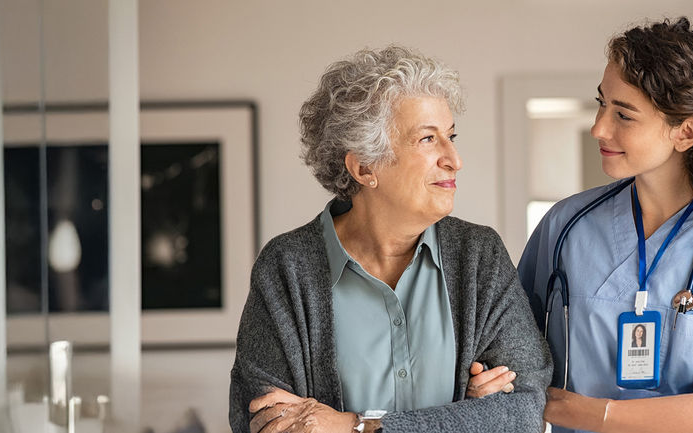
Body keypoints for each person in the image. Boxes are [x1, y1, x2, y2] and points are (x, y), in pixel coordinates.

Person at [469, 17, 693, 433]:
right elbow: (509, 356)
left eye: (624, 115)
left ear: (685, 132)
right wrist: (488, 384)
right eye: (601, 103)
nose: (598, 128)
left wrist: (567, 409)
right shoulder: (566, 226)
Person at [228, 45, 552, 433]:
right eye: (428, 140)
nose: (454, 159)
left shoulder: (479, 256)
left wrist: (354, 425)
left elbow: (524, 411)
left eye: (450, 135)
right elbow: (261, 423)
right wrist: (463, 418)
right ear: (365, 167)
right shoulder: (286, 267)